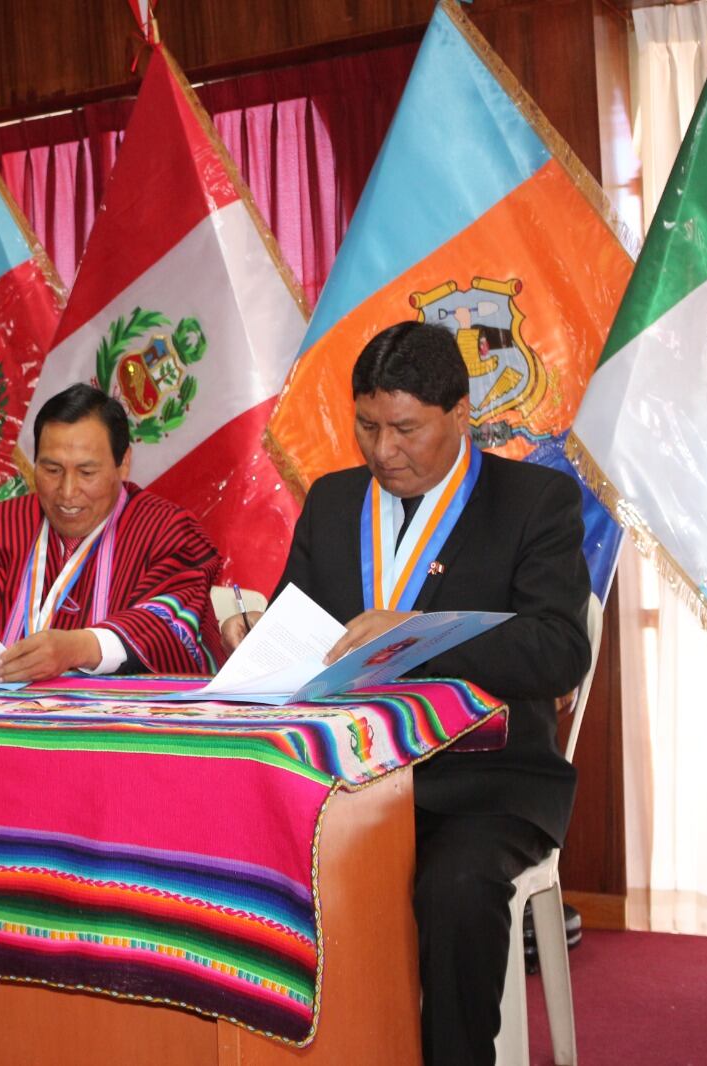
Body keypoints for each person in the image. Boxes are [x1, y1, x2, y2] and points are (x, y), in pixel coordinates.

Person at [222, 321, 590, 1066]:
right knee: (240, 867)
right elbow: (301, 628)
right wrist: (256, 643)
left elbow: (560, 650)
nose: (383, 450)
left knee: (456, 889)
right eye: (367, 426)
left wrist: (423, 633)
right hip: (344, 782)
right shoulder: (334, 501)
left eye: (405, 429)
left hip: (485, 784)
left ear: (461, 413)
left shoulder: (533, 500)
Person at [0, 383, 225, 682]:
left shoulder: (168, 531)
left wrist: (79, 648)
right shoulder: (0, 524)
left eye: (87, 472)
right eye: (52, 470)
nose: (66, 492)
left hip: (115, 726)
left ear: (123, 463)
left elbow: (173, 625)